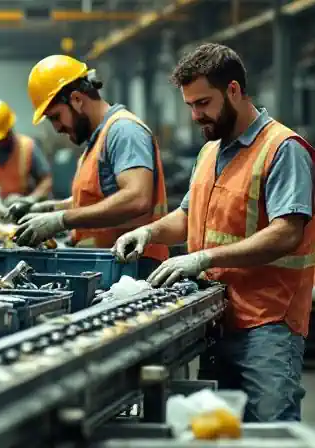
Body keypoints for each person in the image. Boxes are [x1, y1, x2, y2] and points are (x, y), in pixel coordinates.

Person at [113, 43, 315, 422]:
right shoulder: (210, 151)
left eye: (202, 103)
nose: (195, 115)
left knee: (268, 432)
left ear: (234, 91)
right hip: (217, 317)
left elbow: (287, 233)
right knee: (220, 430)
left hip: (268, 324)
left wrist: (204, 258)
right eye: (190, 105)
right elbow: (187, 215)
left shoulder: (283, 149)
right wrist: (150, 231)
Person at [13, 55, 169, 271]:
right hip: (109, 266)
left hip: (134, 269)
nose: (57, 128)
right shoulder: (99, 138)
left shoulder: (124, 131)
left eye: (56, 117)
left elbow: (136, 198)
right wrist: (48, 208)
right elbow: (96, 199)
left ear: (77, 99)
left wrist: (61, 220)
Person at [0, 99, 53, 203]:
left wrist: (31, 199)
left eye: (1, 138)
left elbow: (46, 180)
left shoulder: (27, 146)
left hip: (21, 210)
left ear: (10, 129)